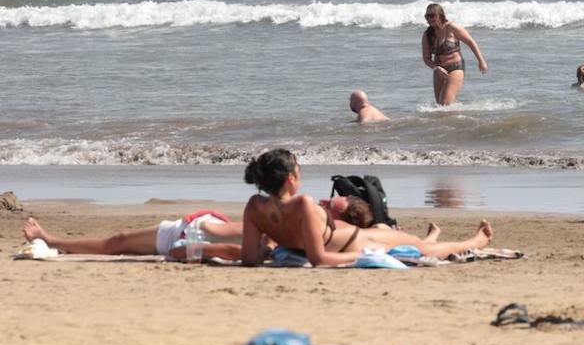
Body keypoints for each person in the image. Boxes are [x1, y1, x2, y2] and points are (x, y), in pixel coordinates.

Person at [242, 149, 495, 267]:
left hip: (352, 237)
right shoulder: (303, 203)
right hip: (358, 241)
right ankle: (475, 242)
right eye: (298, 170)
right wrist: (366, 255)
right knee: (424, 249)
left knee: (418, 242)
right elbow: (319, 259)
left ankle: (432, 236)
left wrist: (269, 248)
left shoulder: (255, 206)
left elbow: (249, 258)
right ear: (290, 179)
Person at [22, 211, 245, 262]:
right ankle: (52, 240)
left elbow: (179, 251)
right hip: (195, 227)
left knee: (118, 244)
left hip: (190, 234)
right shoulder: (266, 233)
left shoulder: (267, 249)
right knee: (119, 242)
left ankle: (51, 240)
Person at [421, 3, 489, 106]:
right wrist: (436, 68)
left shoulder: (452, 27)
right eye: (427, 16)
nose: (429, 19)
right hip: (439, 70)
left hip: (455, 67)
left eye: (432, 16)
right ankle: (459, 116)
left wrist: (481, 61)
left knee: (446, 103)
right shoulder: (427, 34)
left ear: (440, 15)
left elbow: (471, 42)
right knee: (440, 105)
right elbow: (426, 58)